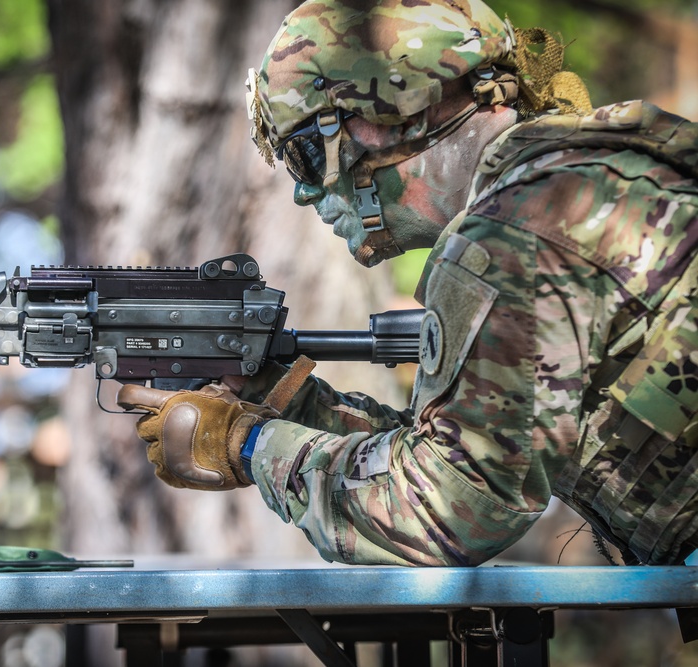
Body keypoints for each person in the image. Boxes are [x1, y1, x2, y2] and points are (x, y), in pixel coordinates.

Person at [117, 0, 698, 567]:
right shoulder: (573, 182)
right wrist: (286, 401)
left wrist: (248, 445)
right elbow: (455, 447)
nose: (305, 192)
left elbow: (444, 508)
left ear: (386, 117)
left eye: (303, 155)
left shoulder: (512, 233)